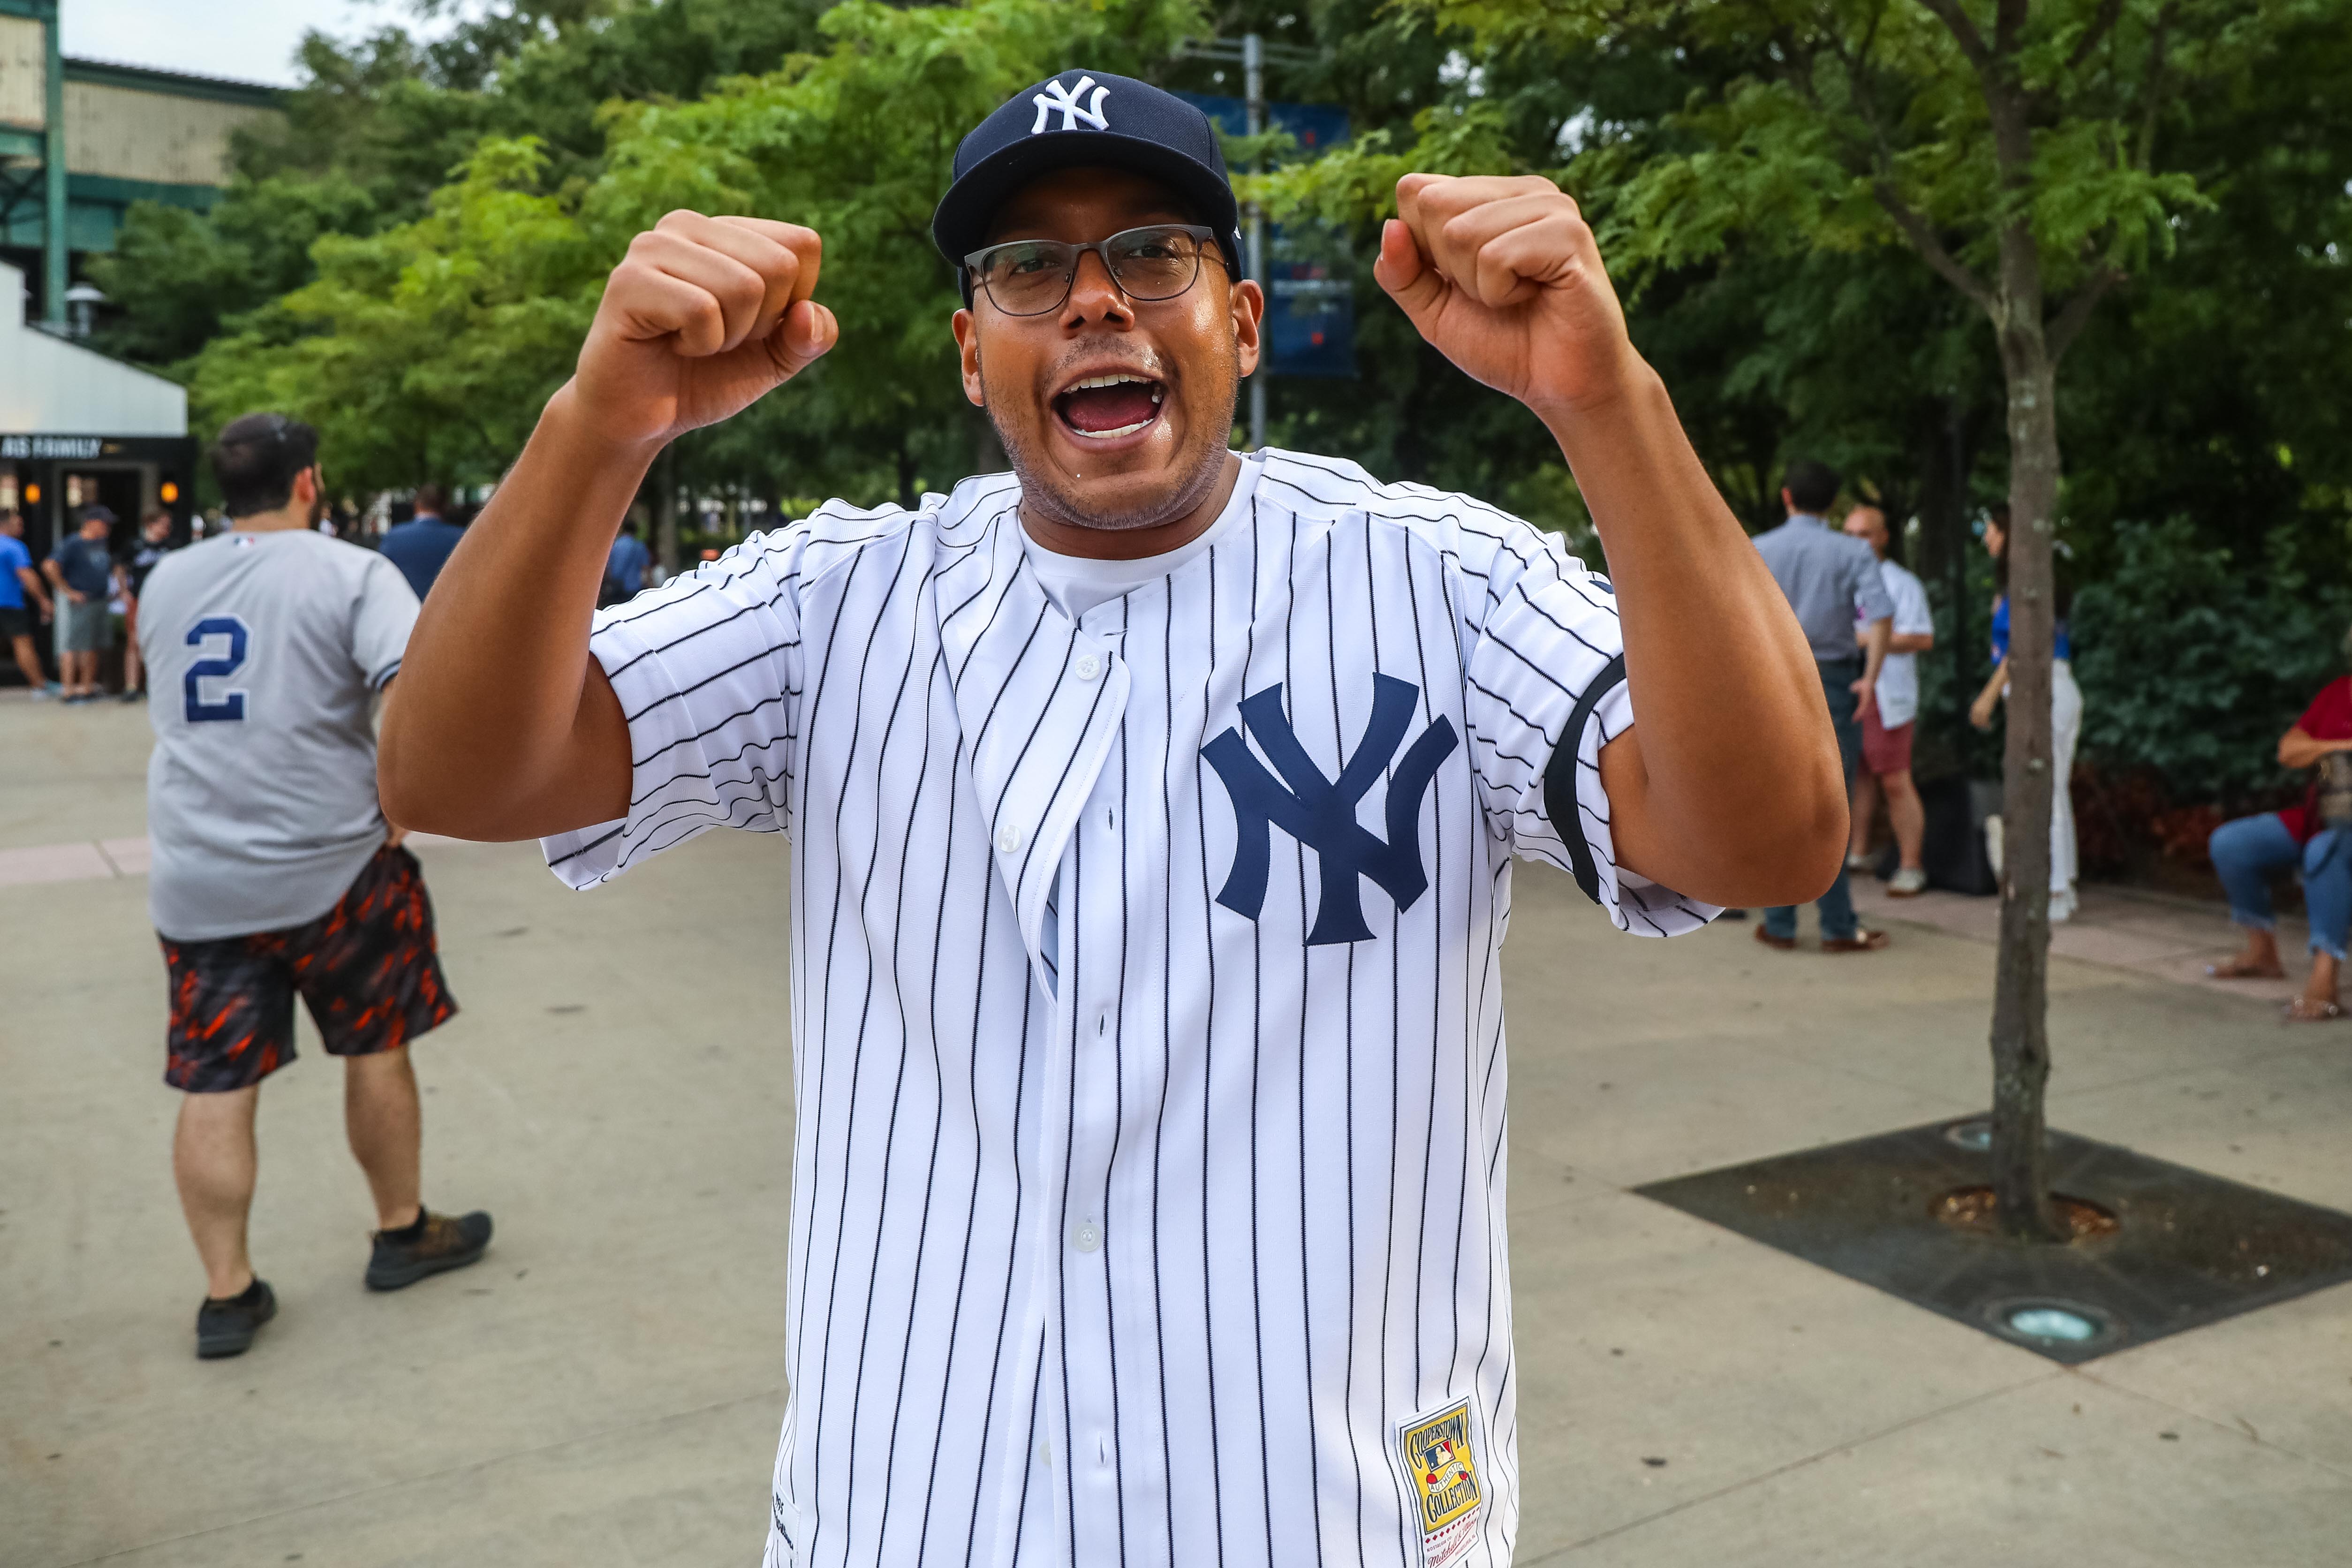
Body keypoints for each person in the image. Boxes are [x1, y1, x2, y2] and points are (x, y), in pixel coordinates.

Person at [378, 73, 1841, 1567]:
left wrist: (1609, 404)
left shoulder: (1434, 581)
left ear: (1245, 321)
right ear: (970, 352)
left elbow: (1761, 837)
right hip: (916, 1506)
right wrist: (597, 426)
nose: (1092, 301)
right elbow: (458, 774)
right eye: (1025, 268)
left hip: (1325, 1514)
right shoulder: (836, 598)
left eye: (1151, 252)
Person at [138, 412, 490, 1360]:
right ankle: (400, 1228)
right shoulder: (350, 571)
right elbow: (414, 687)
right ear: (308, 482)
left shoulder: (165, 580)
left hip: (200, 874)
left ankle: (228, 1295)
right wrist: (406, 791)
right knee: (375, 1047)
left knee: (215, 1081)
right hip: (338, 868)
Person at [1751, 462, 1895, 951]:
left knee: (1778, 803)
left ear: (1786, 496)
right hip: (1832, 682)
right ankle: (1836, 925)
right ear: (1832, 504)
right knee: (1832, 807)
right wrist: (1869, 679)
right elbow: (1879, 615)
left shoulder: (1758, 548)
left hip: (1772, 682)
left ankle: (1779, 922)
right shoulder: (1853, 551)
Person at [2204, 635, 2352, 1020]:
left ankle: (2325, 981)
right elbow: (2289, 749)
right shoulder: (2338, 691)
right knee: (2230, 842)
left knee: (2324, 850)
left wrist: (2322, 748)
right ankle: (2261, 952)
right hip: (2320, 813)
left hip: (2338, 832)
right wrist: (2341, 747)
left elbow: (2305, 749)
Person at [1969, 503, 2081, 921]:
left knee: (2043, 792)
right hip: (2049, 686)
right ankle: (2059, 889)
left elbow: (2022, 646)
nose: (1987, 538)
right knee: (2052, 792)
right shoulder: (2029, 580)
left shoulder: (2027, 581)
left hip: (2042, 687)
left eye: (1992, 529)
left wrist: (1987, 696)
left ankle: (2052, 892)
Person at [1842, 504, 1935, 894]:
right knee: (1859, 775)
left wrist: (1868, 639)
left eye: (1864, 534)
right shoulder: (1839, 580)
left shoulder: (1901, 583)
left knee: (1894, 779)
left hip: (1886, 694)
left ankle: (1912, 865)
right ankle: (1857, 854)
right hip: (1845, 687)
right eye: (1848, 535)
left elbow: (1922, 637)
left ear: (1882, 537)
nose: (1856, 543)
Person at [44, 503, 120, 702]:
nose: (107, 528)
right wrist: (69, 592)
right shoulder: (73, 543)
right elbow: (50, 566)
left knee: (94, 646)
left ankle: (87, 688)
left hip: (100, 600)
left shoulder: (100, 543)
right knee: (76, 646)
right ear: (91, 523)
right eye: (104, 523)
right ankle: (68, 690)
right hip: (82, 602)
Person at [118, 508, 175, 702]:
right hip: (139, 598)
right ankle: (132, 686)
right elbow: (120, 567)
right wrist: (124, 591)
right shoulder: (135, 545)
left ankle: (157, 685)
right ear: (151, 525)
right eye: (163, 525)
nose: (167, 529)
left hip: (164, 600)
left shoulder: (171, 546)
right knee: (134, 641)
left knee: (162, 641)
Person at [378, 482, 464, 601]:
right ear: (444, 506)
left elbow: (382, 580)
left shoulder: (394, 537)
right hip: (448, 611)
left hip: (404, 611)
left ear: (416, 504)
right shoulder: (461, 537)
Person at [1, 508, 54, 697]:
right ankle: (39, 686)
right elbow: (26, 575)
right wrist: (43, 600)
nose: (22, 528)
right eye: (18, 523)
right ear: (6, 524)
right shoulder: (14, 547)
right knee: (23, 642)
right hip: (8, 603)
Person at [600, 515, 652, 606]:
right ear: (635, 531)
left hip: (616, 588)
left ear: (623, 530)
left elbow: (607, 568)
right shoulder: (639, 546)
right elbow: (646, 569)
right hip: (633, 589)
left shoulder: (614, 546)